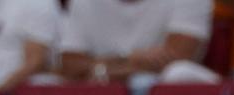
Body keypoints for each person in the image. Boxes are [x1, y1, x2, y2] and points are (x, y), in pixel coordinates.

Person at [59, 0, 213, 86]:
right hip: (102, 86)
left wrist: (103, 70)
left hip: (161, 92)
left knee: (178, 74)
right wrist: (129, 59)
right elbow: (69, 65)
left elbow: (177, 55)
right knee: (46, 82)